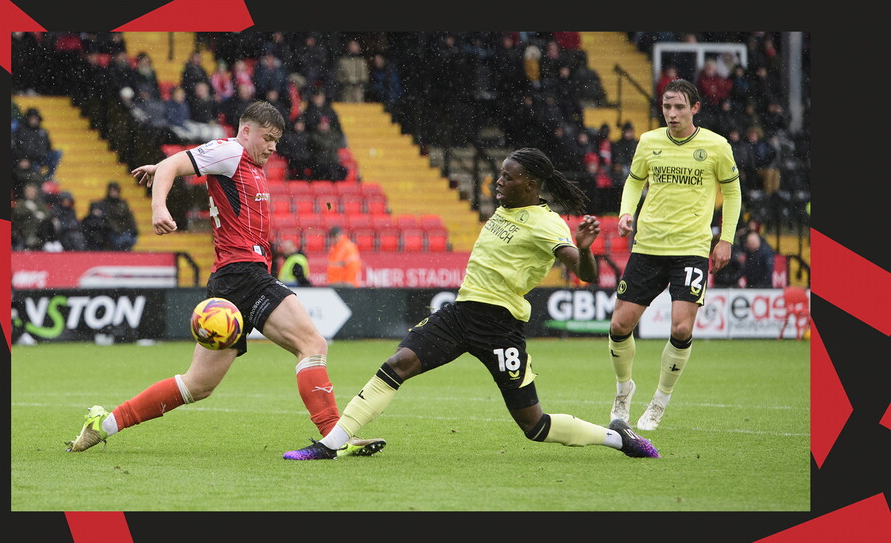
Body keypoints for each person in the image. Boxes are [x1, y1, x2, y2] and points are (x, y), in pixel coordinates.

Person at [284, 147, 660, 460]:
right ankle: (330, 444)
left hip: (500, 327)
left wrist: (582, 248)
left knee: (535, 425)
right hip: (461, 313)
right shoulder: (505, 209)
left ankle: (617, 438)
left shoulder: (547, 224)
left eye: (507, 177)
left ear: (530, 185)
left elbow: (587, 274)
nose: (498, 182)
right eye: (500, 175)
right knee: (397, 364)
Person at [66, 100, 385, 458]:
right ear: (246, 131)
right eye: (267, 138)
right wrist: (159, 205)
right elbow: (176, 162)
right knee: (312, 344)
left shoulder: (242, 160)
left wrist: (167, 169)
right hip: (243, 275)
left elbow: (179, 166)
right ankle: (333, 438)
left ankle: (104, 424)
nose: (272, 147)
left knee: (197, 385)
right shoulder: (231, 150)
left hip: (231, 281)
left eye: (277, 141)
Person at [606, 78, 742, 432]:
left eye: (679, 106)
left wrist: (725, 238)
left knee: (681, 327)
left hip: (691, 249)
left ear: (695, 107)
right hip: (648, 245)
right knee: (620, 324)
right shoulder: (649, 142)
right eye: (667, 106)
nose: (672, 113)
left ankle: (659, 402)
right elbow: (635, 180)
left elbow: (732, 193)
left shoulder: (716, 146)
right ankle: (623, 392)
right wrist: (626, 212)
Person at [12, 108, 63, 179]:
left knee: (57, 153)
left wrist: (42, 156)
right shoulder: (21, 131)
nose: (33, 120)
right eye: (32, 118)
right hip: (29, 160)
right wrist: (22, 159)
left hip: (41, 159)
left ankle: (49, 177)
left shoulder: (43, 132)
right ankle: (39, 179)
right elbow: (16, 147)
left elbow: (49, 147)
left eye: (35, 118)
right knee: (34, 172)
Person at [99, 181, 138, 251]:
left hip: (124, 231)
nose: (114, 193)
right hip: (113, 233)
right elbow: (108, 219)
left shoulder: (123, 203)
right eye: (112, 191)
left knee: (127, 243)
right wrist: (116, 230)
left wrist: (134, 230)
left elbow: (129, 217)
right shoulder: (104, 204)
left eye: (115, 190)